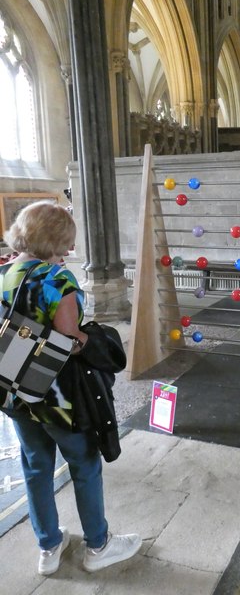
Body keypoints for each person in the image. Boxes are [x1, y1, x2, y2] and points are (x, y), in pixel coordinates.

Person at [0, 201, 141, 575]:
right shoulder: (58, 280)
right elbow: (69, 341)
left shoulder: (7, 272)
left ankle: (48, 546)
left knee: (35, 466)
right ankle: (98, 545)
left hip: (15, 390)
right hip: (57, 397)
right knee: (84, 464)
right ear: (56, 237)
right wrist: (94, 338)